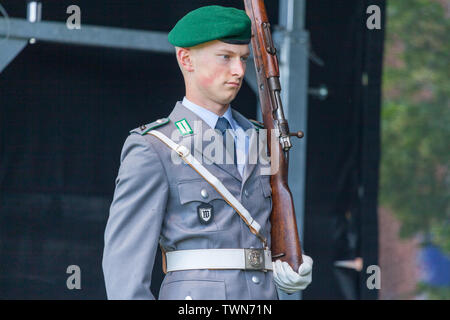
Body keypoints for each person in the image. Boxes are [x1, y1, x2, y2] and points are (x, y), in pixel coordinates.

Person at [102, 5, 313, 300]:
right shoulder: (155, 147)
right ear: (186, 59)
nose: (239, 71)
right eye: (225, 57)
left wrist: (288, 262)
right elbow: (125, 273)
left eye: (243, 59)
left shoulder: (261, 139)